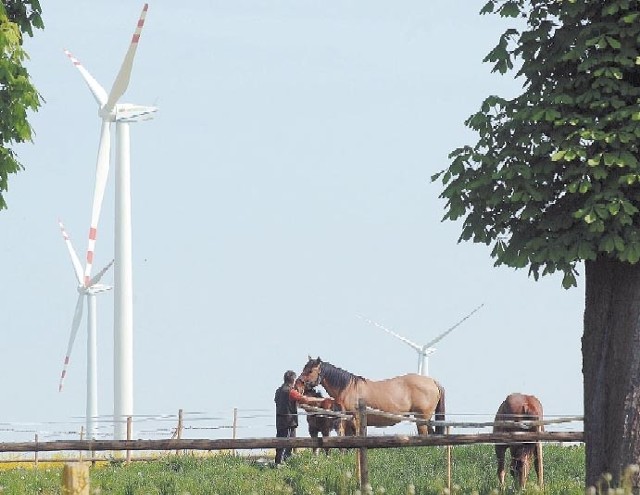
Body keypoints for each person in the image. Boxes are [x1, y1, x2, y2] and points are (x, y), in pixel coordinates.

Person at [274, 370, 333, 465]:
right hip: (289, 421)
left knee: (283, 441)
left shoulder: (278, 391)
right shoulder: (291, 392)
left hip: (280, 420)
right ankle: (281, 463)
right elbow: (304, 399)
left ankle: (282, 461)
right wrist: (322, 399)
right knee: (286, 442)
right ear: (293, 380)